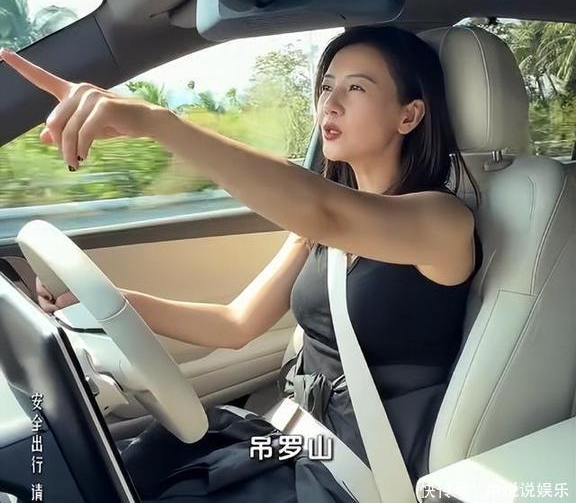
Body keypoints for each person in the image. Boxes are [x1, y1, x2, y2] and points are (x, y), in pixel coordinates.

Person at [1, 25, 483, 502]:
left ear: (408, 116)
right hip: (297, 442)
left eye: (356, 88)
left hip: (358, 475)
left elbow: (323, 208)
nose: (330, 104)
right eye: (326, 86)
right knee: (125, 470)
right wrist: (109, 304)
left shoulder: (442, 221)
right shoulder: (320, 231)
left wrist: (158, 124)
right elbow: (234, 324)